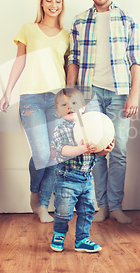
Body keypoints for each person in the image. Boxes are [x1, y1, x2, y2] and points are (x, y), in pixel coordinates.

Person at [67, 0, 140, 224]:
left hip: (120, 92)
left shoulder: (126, 19)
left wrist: (134, 94)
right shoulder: (79, 21)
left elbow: (135, 60)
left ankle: (117, 206)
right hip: (90, 92)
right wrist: (71, 93)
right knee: (96, 148)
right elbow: (73, 59)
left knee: (118, 150)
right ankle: (103, 206)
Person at [0, 0, 69, 223]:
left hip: (57, 100)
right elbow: (19, 62)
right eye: (49, 0)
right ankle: (34, 191)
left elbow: (69, 70)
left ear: (62, 4)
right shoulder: (28, 29)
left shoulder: (67, 36)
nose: (53, 5)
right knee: (41, 152)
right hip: (31, 98)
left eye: (58, 0)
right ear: (41, 2)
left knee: (54, 153)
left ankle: (42, 206)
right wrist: (7, 91)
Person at [50, 88, 114, 252]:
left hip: (86, 178)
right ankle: (59, 234)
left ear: (83, 108)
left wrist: (104, 149)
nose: (69, 107)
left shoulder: (90, 126)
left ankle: (82, 239)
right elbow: (63, 150)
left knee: (87, 211)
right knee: (64, 211)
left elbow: (96, 150)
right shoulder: (61, 129)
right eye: (64, 105)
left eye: (74, 103)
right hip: (66, 178)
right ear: (58, 112)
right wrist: (80, 149)